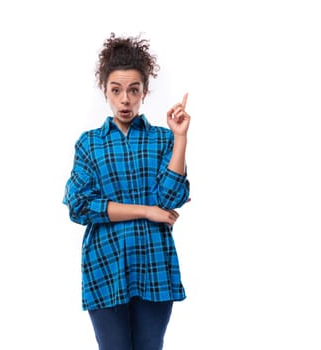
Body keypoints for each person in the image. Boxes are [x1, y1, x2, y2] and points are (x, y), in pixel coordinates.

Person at [63, 32, 191, 350]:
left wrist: (180, 138)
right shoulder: (89, 143)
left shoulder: (162, 139)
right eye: (116, 90)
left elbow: (170, 199)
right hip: (103, 265)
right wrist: (145, 210)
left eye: (133, 91)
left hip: (154, 265)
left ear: (144, 92)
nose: (125, 100)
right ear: (105, 90)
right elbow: (79, 207)